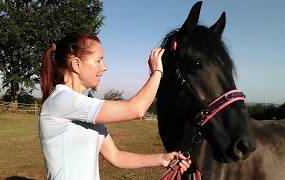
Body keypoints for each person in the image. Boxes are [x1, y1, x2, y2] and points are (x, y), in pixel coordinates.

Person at [39, 32, 191, 180]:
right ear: (76, 64)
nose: (104, 67)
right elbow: (135, 109)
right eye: (99, 61)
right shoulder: (61, 100)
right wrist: (157, 72)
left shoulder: (83, 109)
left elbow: (116, 156)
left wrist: (162, 158)